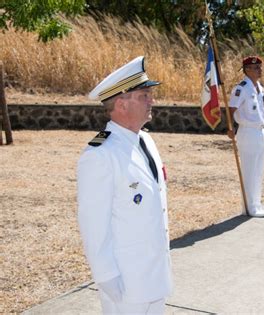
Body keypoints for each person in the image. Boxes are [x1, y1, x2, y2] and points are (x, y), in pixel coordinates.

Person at [77, 56, 172, 314]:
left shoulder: (146, 141)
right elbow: (93, 224)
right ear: (121, 104)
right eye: (144, 95)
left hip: (154, 275)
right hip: (126, 282)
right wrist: (106, 276)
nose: (151, 100)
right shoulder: (100, 155)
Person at [228, 56, 264, 218]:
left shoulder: (260, 88)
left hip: (259, 131)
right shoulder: (241, 88)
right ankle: (249, 206)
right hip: (247, 131)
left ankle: (256, 204)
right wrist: (230, 127)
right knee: (249, 170)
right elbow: (231, 109)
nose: (260, 70)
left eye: (260, 67)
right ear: (247, 70)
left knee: (258, 169)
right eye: (256, 68)